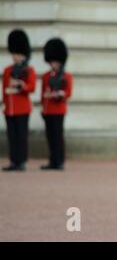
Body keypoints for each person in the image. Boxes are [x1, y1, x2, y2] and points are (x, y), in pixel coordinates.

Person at [2, 29, 36, 171]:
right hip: (9, 108)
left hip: (22, 108)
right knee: (12, 136)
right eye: (14, 54)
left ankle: (21, 162)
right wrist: (4, 103)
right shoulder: (7, 70)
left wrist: (22, 86)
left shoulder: (29, 70)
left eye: (18, 54)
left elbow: (32, 87)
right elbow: (4, 89)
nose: (15, 57)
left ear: (24, 55)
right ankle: (13, 161)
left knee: (21, 136)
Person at [40, 38, 73, 170]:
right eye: (52, 61)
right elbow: (43, 94)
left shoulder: (66, 76)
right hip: (48, 110)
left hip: (59, 110)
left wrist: (59, 94)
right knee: (50, 137)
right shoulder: (46, 76)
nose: (53, 64)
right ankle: (52, 161)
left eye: (55, 61)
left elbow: (68, 93)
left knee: (58, 136)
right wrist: (43, 107)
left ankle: (60, 161)